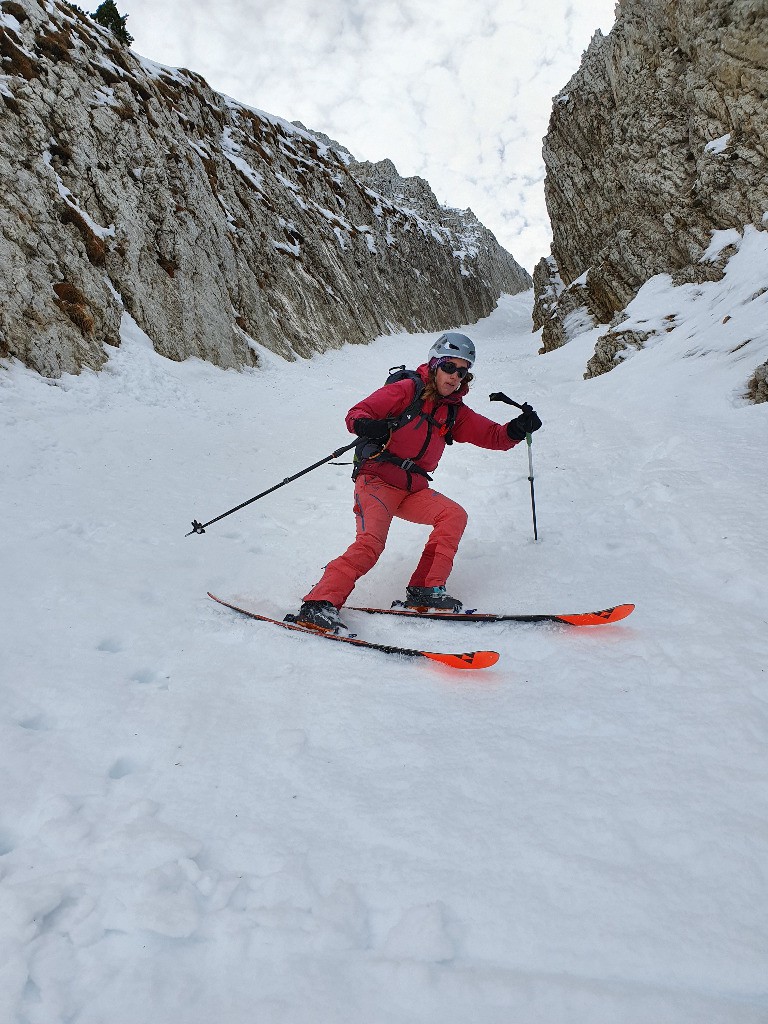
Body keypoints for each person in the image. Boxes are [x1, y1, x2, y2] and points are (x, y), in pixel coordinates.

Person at [295, 332, 542, 631]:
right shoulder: (406, 390)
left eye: (463, 372)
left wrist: (517, 429)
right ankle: (318, 604)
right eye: (450, 368)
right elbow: (356, 414)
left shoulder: (454, 412)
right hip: (376, 481)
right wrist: (367, 425)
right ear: (435, 364)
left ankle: (426, 589)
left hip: (411, 488)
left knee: (452, 515)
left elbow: (494, 437)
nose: (455, 377)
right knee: (371, 544)